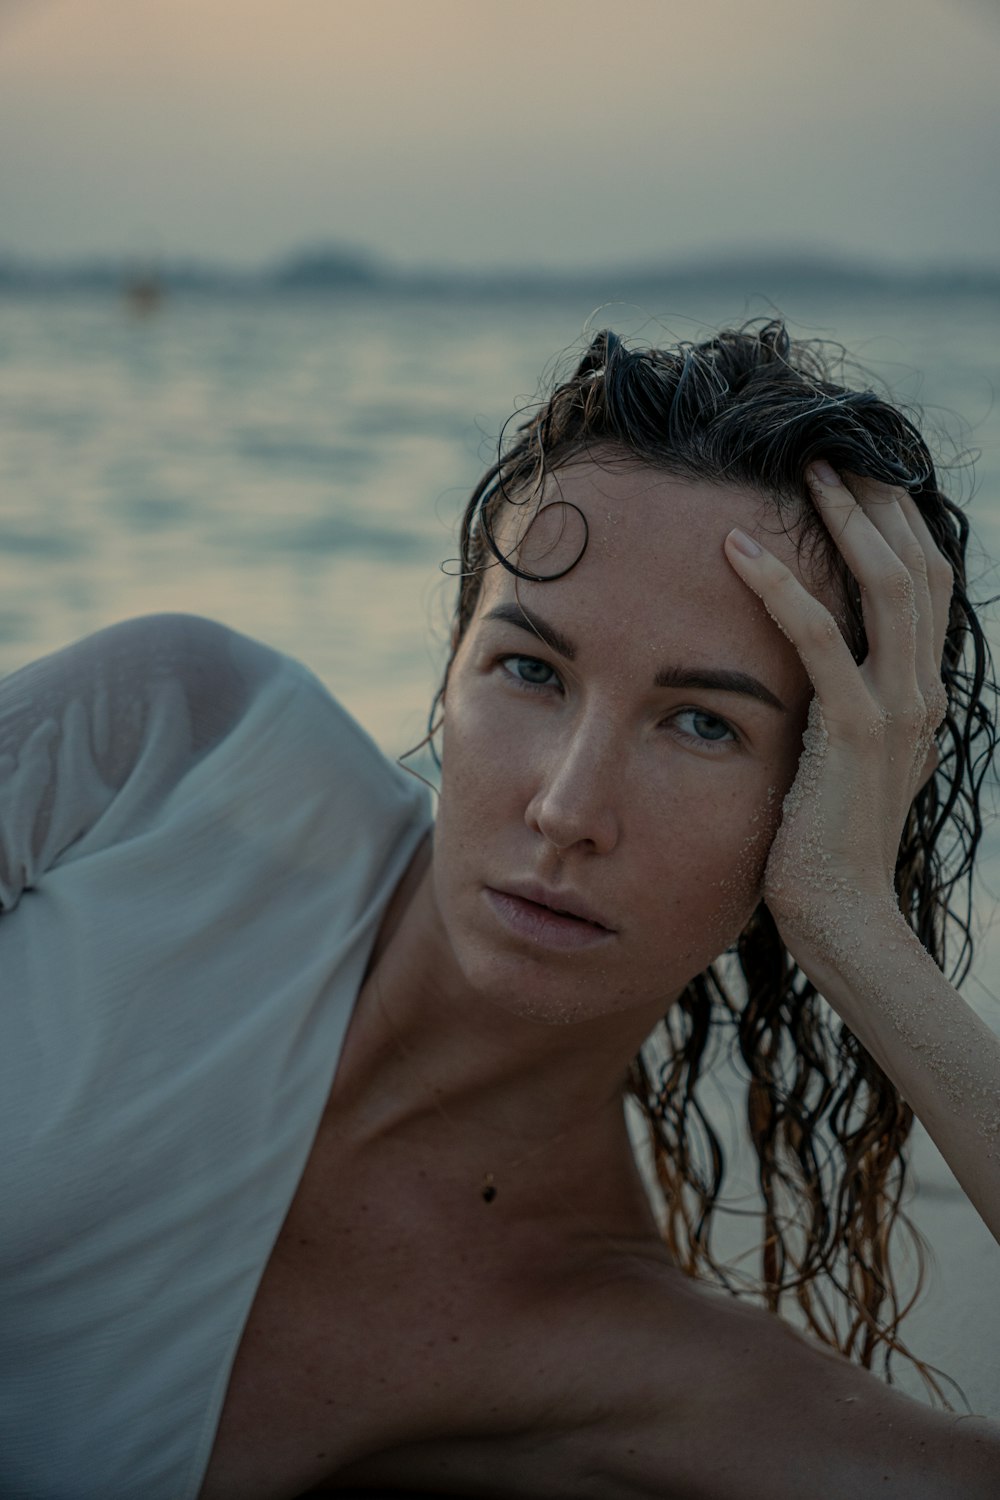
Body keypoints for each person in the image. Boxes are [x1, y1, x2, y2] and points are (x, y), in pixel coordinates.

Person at [1, 320, 999, 1500]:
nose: (569, 807)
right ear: (448, 678)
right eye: (529, 669)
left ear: (816, 805)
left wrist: (851, 924)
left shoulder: (621, 1356)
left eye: (703, 723)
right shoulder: (173, 745)